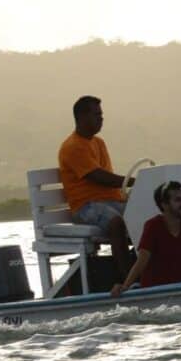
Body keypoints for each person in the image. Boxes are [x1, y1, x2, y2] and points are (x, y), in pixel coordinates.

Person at [58, 95, 134, 278]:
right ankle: (127, 278)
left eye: (101, 115)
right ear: (81, 117)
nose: (101, 119)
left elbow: (107, 177)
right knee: (116, 223)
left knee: (147, 215)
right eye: (96, 114)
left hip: (110, 202)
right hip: (85, 206)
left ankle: (149, 270)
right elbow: (98, 176)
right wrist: (133, 182)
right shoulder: (73, 147)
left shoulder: (99, 143)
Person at [110, 180, 181, 296]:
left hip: (178, 293)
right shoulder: (153, 226)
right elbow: (141, 261)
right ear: (164, 204)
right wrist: (125, 286)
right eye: (178, 200)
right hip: (153, 294)